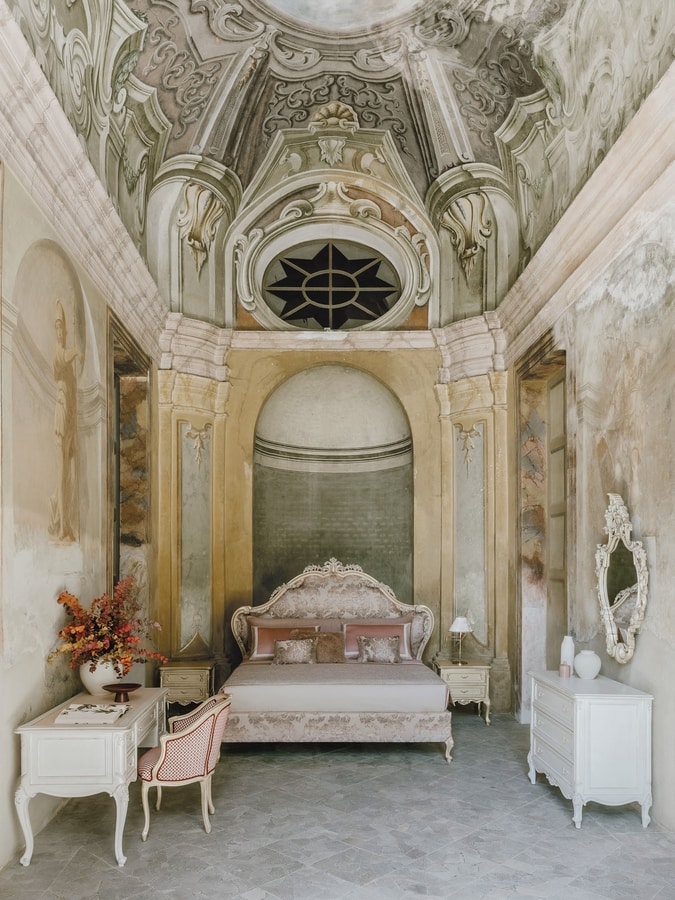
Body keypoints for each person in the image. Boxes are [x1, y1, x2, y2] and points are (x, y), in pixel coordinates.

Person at [49, 299, 81, 542]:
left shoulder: (70, 368)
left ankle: (64, 520)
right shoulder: (57, 352)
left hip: (70, 419)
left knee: (70, 476)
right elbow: (62, 357)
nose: (59, 332)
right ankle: (60, 526)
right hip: (61, 416)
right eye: (57, 327)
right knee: (62, 474)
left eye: (62, 327)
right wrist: (77, 351)